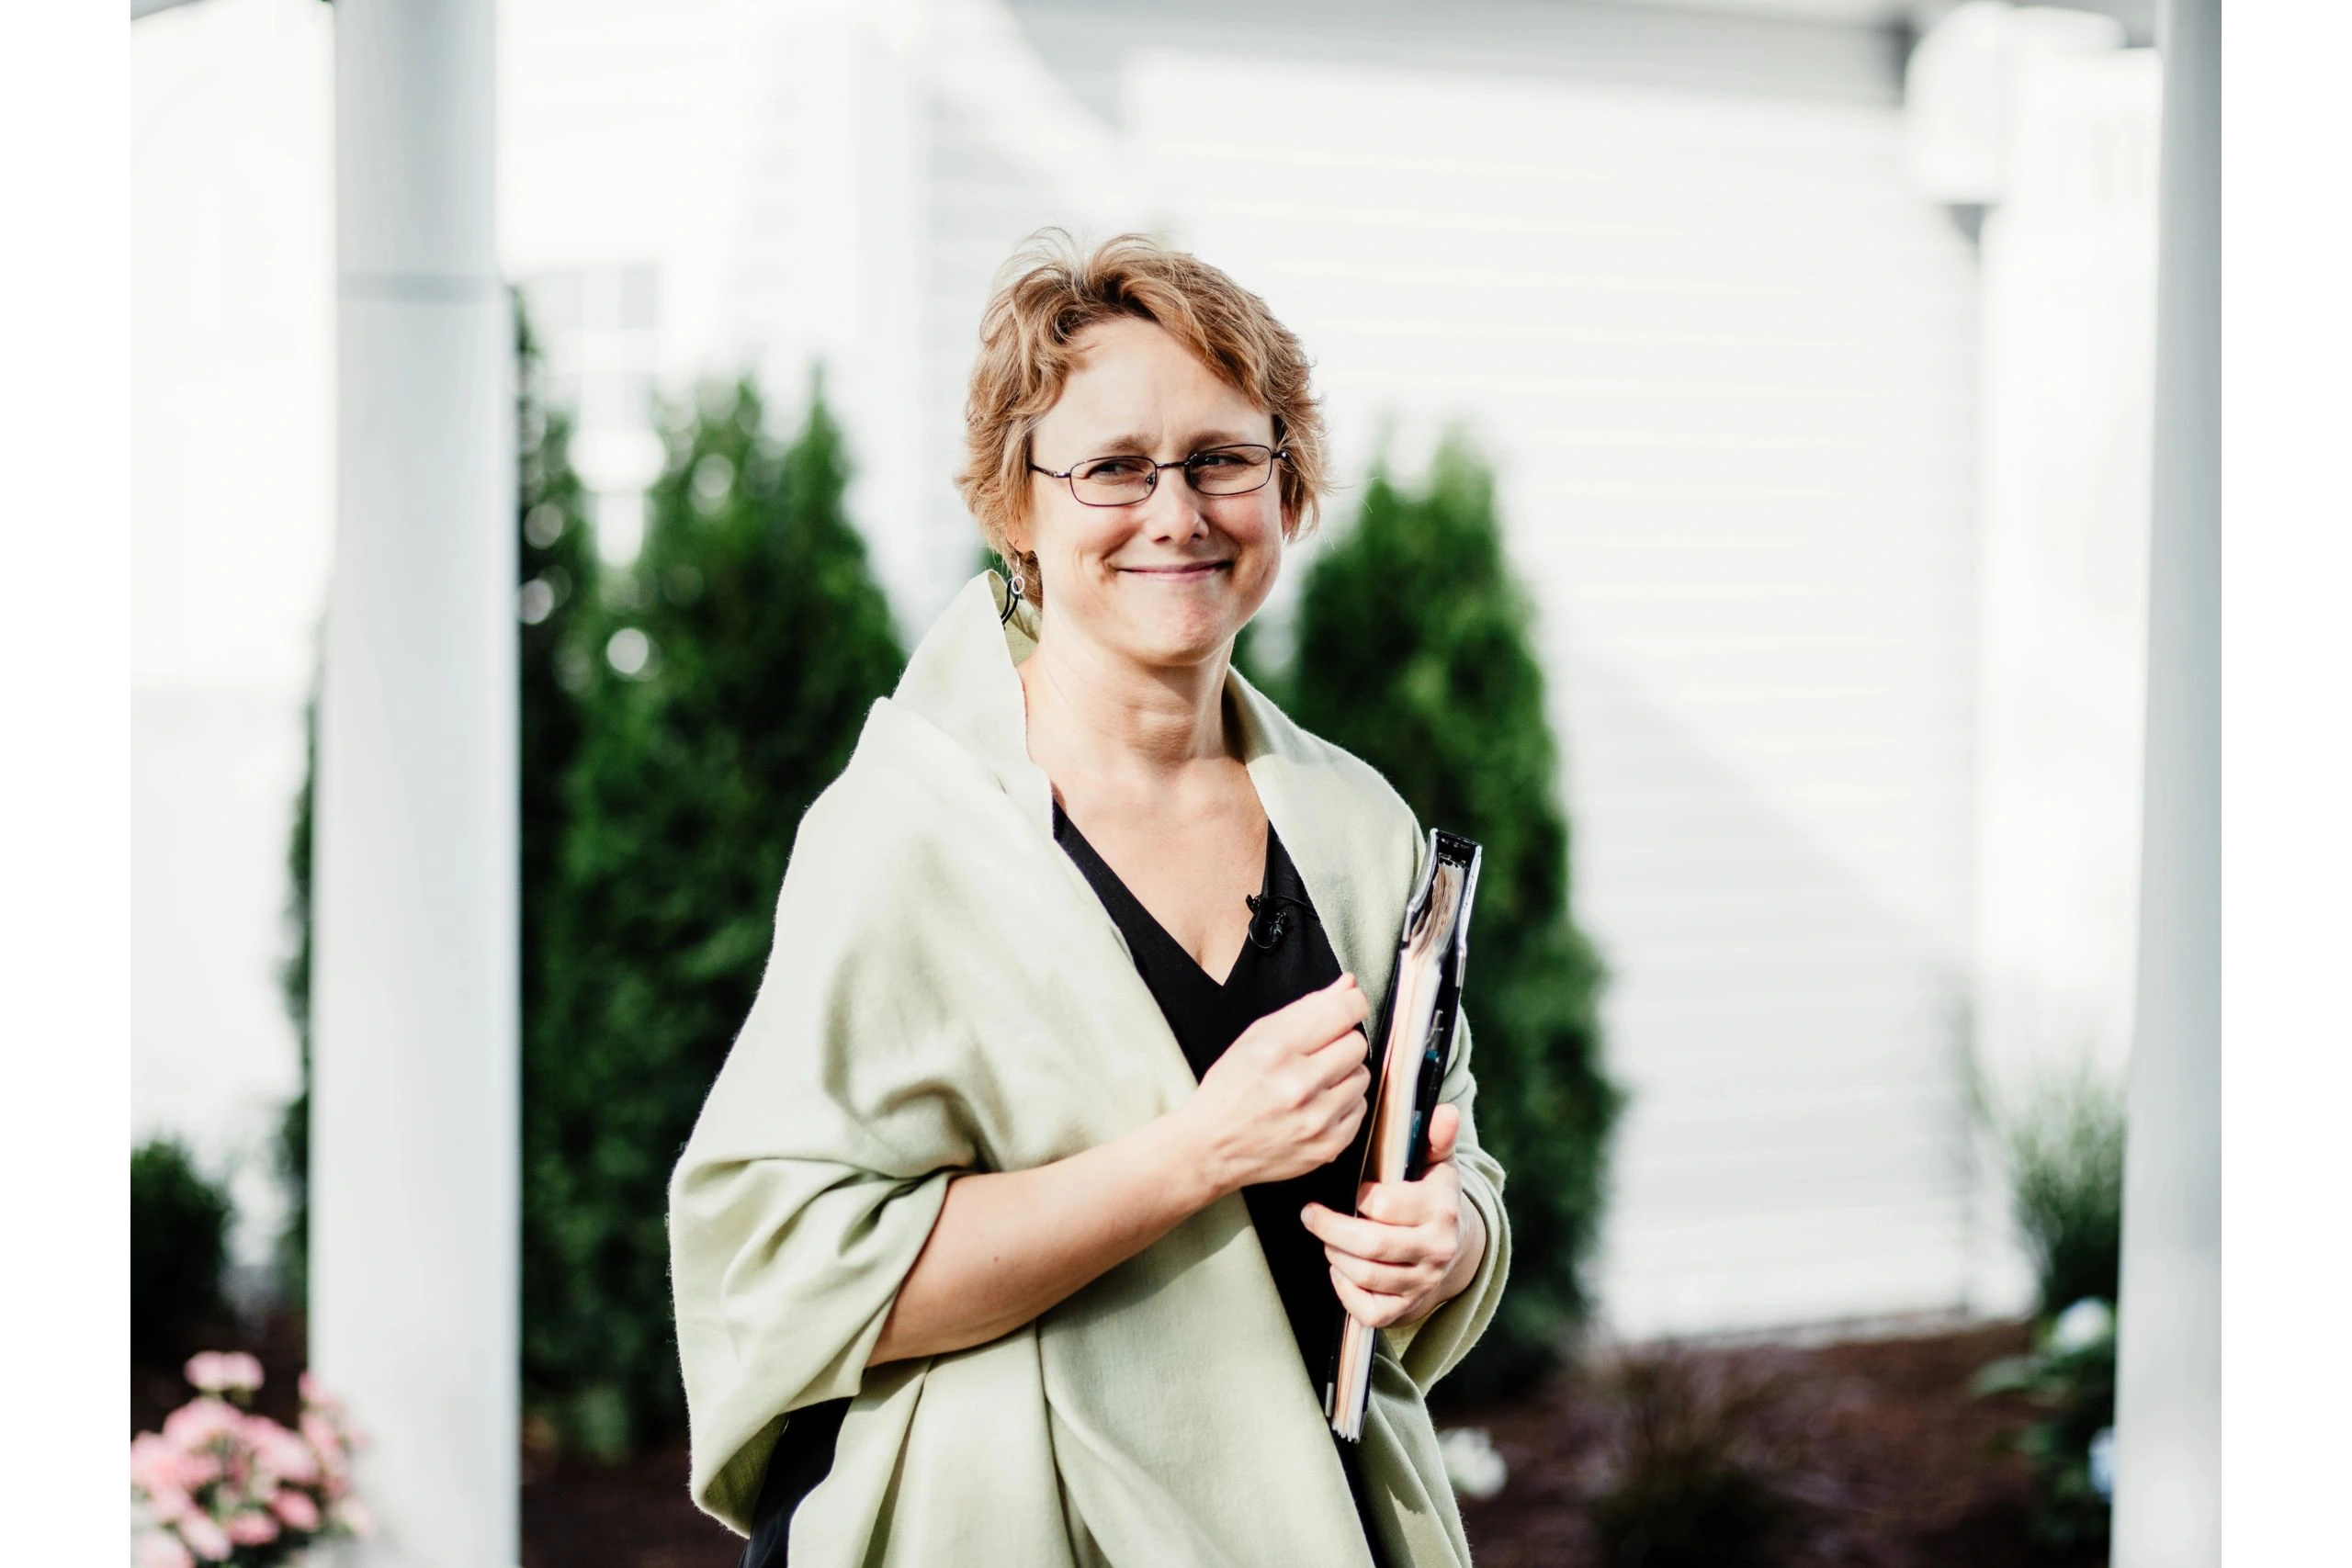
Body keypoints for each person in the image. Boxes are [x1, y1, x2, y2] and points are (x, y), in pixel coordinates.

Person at [670, 231, 1511, 1568]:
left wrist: (1447, 1238)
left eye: (1225, 458)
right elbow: (796, 1270)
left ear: (1286, 490)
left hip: (1310, 1516)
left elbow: (1450, 1159)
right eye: (1114, 466)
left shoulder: (1357, 828)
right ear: (1018, 507)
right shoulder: (903, 838)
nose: (1177, 512)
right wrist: (1194, 1154)